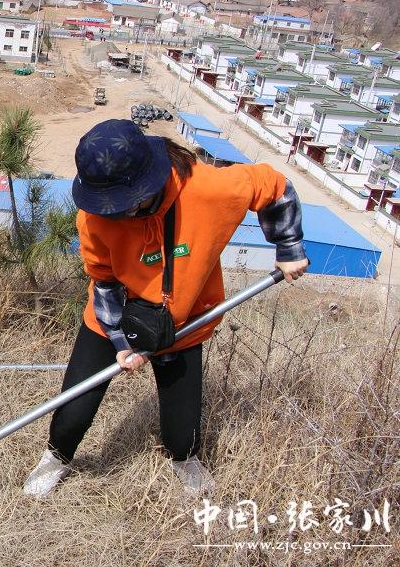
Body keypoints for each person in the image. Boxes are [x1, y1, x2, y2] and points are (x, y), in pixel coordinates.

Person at [23, 119, 309, 498]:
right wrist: (121, 342)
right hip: (113, 318)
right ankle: (56, 457)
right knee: (74, 408)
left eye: (125, 204)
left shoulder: (209, 189)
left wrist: (288, 246)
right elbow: (104, 281)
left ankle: (185, 460)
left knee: (183, 424)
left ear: (149, 181)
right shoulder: (94, 219)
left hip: (184, 322)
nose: (115, 214)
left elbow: (274, 186)